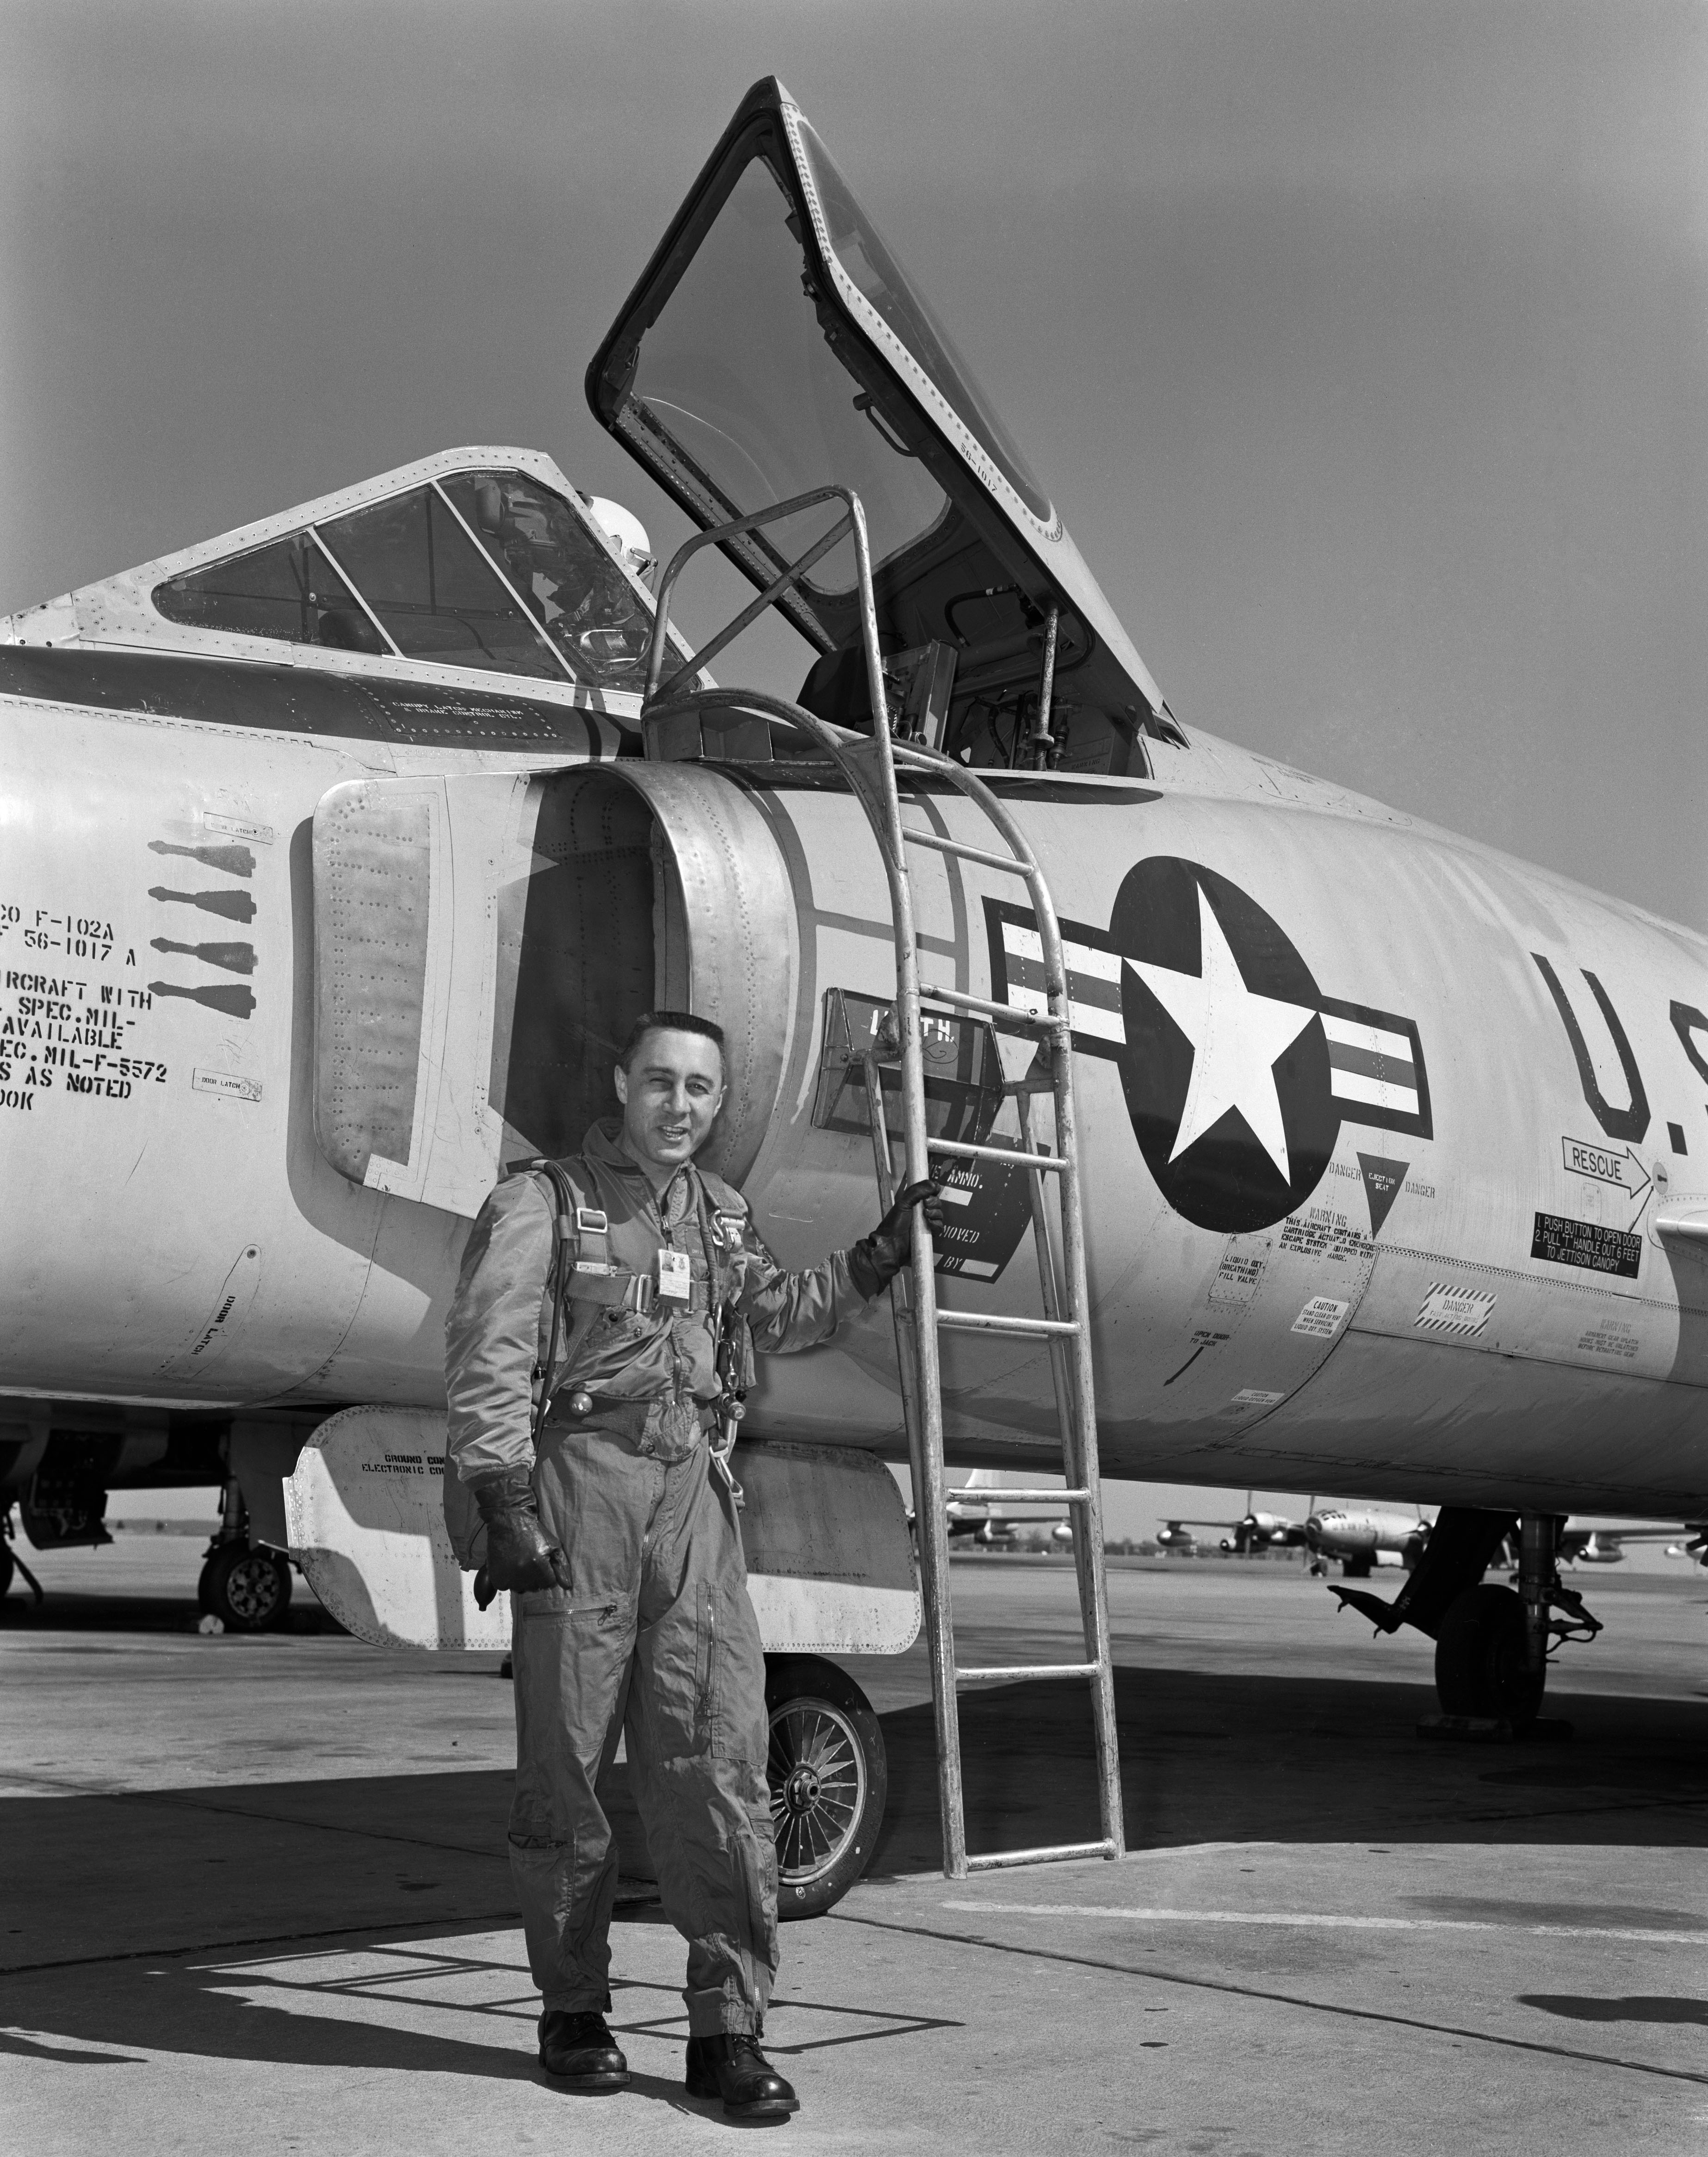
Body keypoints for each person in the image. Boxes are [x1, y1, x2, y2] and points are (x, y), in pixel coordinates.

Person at [444, 1009, 940, 2120]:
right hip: (579, 1493)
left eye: (701, 1091)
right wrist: (501, 1490)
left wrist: (872, 1255)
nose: (679, 1106)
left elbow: (779, 1313)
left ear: (719, 1105)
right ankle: (573, 2009)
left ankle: (727, 2032)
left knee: (718, 1767)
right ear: (621, 1082)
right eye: (660, 1082)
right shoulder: (545, 1201)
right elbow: (489, 1347)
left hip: (694, 1504)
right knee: (564, 1776)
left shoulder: (720, 1219)